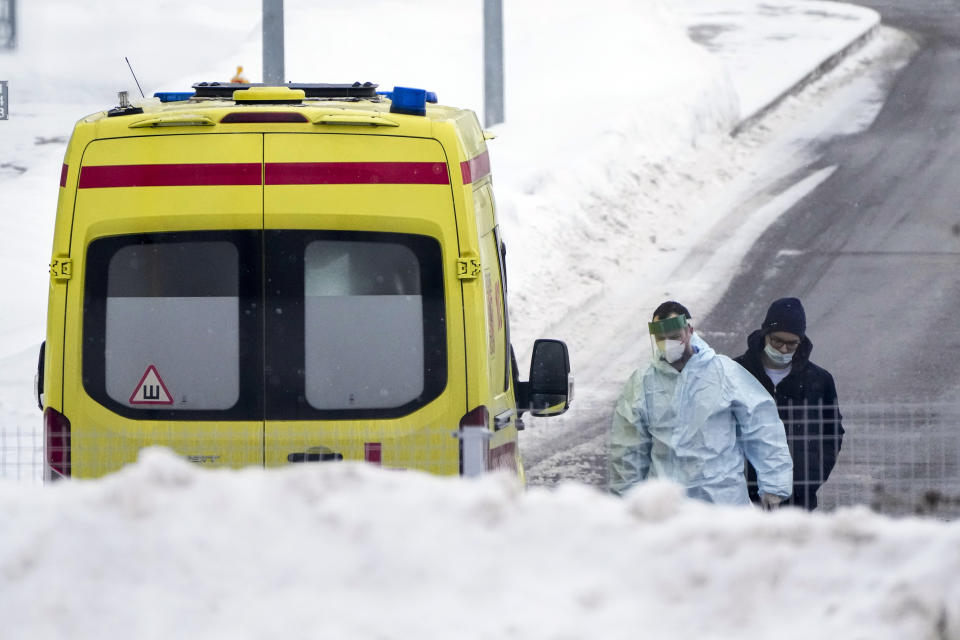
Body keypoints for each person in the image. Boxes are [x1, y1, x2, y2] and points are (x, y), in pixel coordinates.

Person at [609, 300, 793, 507]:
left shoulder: (724, 373)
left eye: (674, 337)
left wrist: (774, 485)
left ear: (689, 331)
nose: (668, 344)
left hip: (722, 504)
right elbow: (628, 446)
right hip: (667, 507)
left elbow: (762, 425)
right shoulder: (644, 381)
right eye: (661, 338)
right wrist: (624, 498)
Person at [735, 297, 844, 510]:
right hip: (742, 496)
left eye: (792, 343)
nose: (784, 349)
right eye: (777, 341)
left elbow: (832, 433)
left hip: (798, 498)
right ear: (765, 334)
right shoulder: (736, 372)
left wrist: (811, 476)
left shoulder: (819, 380)